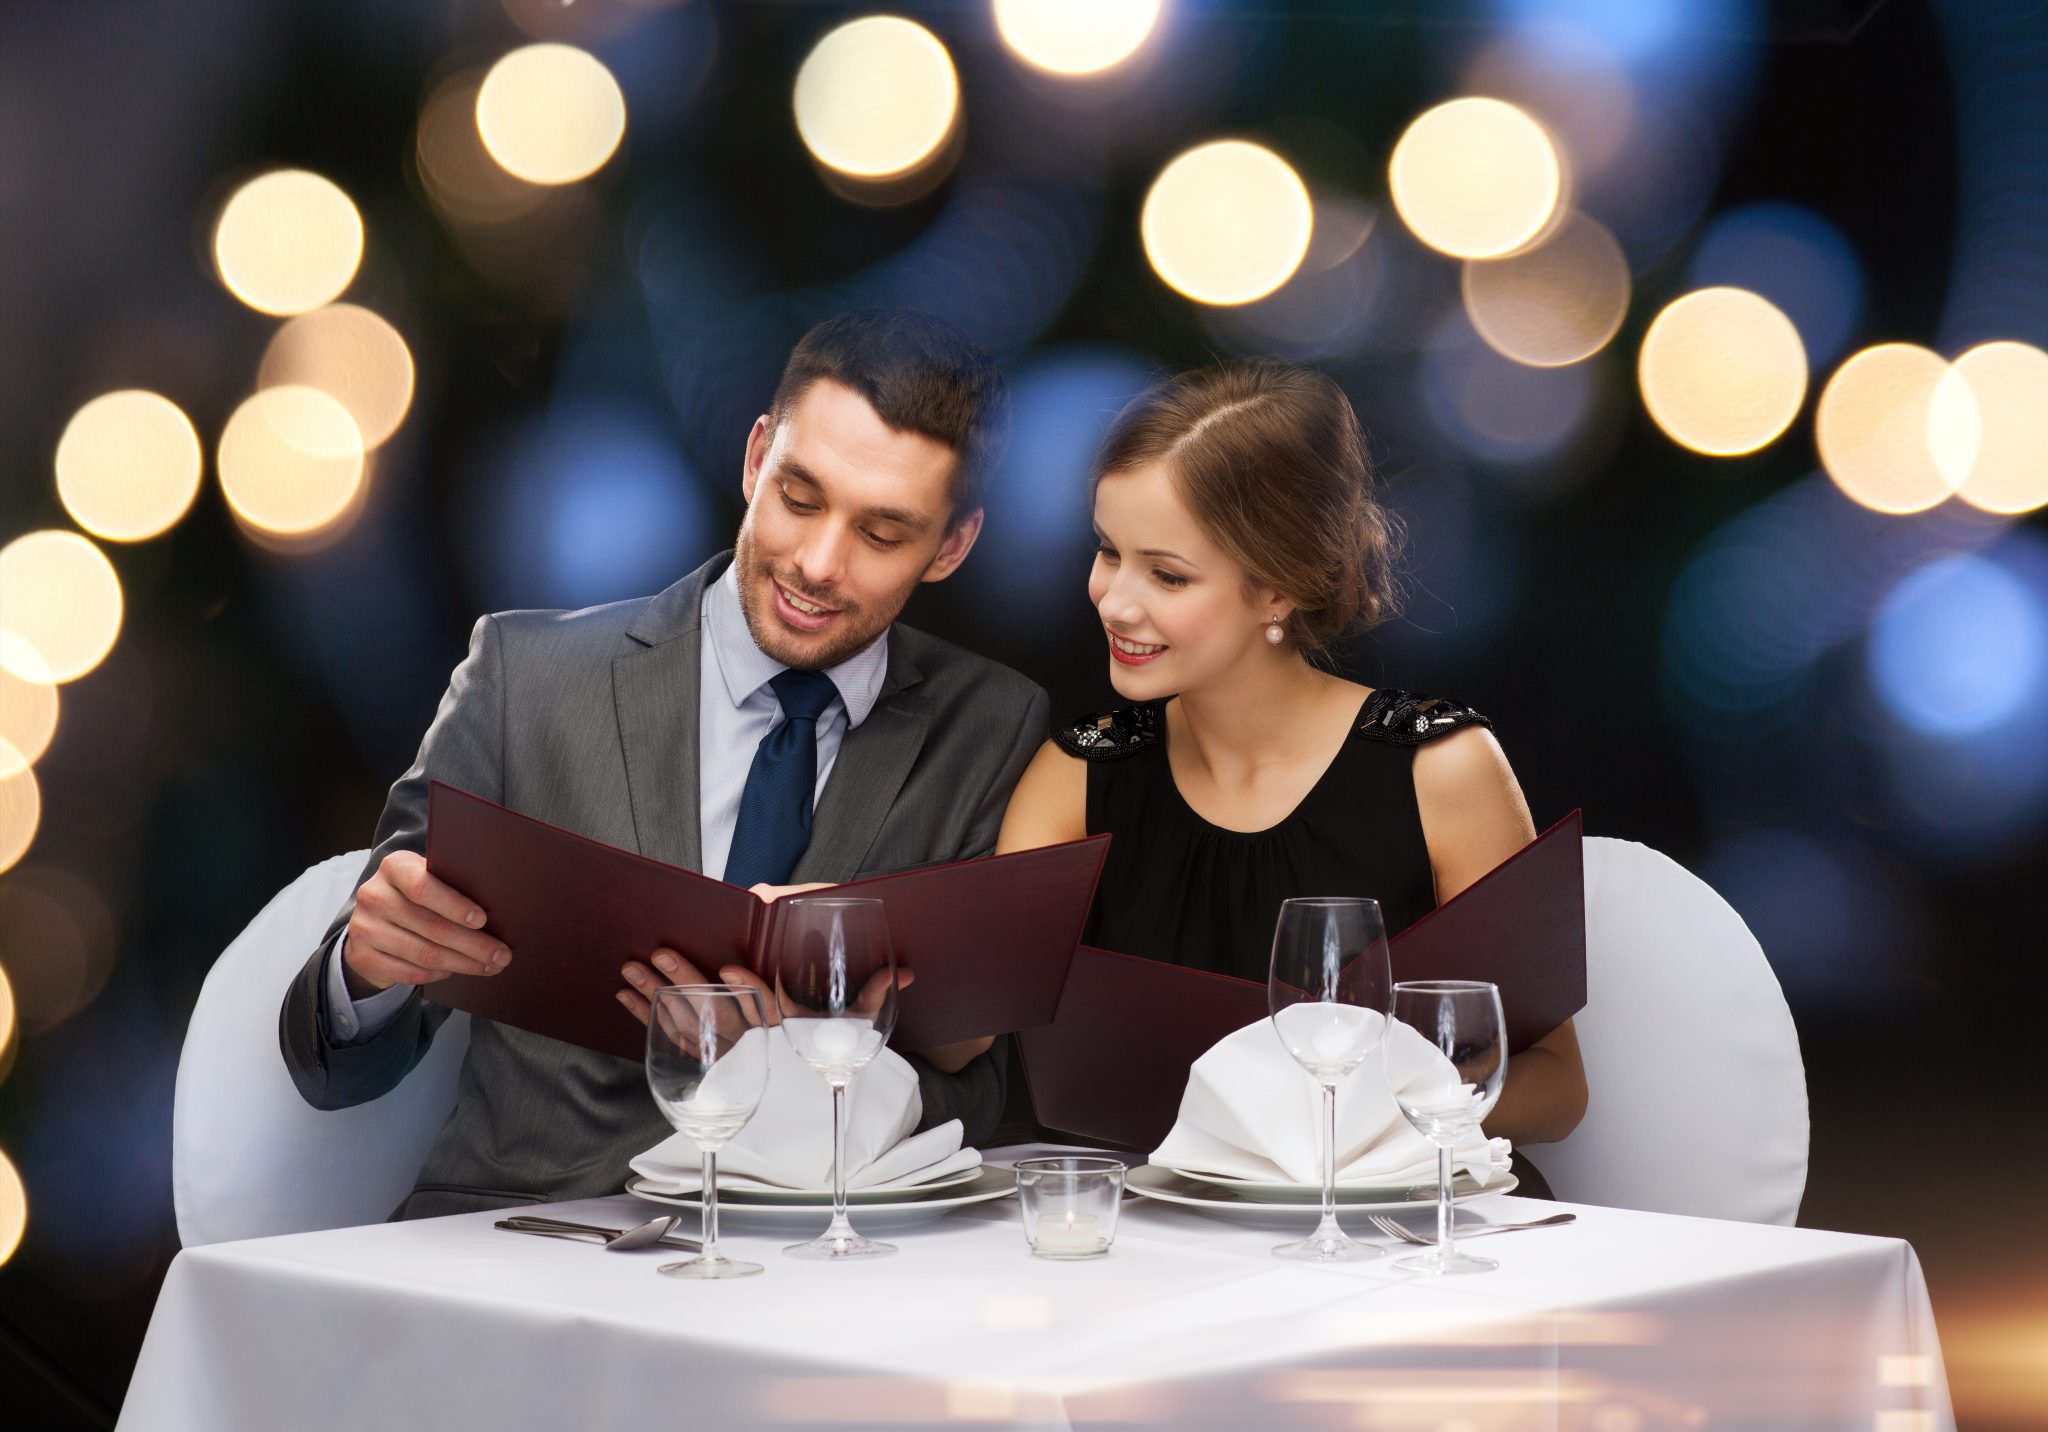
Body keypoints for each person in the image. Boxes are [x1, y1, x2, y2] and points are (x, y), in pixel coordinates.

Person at [280, 310, 1047, 1220]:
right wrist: (363, 974)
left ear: (952, 545)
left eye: (882, 536)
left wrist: (816, 1061)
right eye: (800, 498)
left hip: (816, 1267)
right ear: (757, 456)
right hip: (524, 1244)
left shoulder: (995, 723)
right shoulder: (524, 679)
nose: (817, 562)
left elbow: (986, 1095)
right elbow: (333, 1063)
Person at [994, 359, 1587, 1183]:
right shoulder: (1077, 774)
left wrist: (1357, 1109)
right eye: (1107, 552)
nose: (1115, 601)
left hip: (1407, 1242)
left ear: (1277, 589)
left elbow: (1557, 1089)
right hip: (1174, 1246)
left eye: (1167, 574)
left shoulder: (1440, 768)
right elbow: (975, 1022)